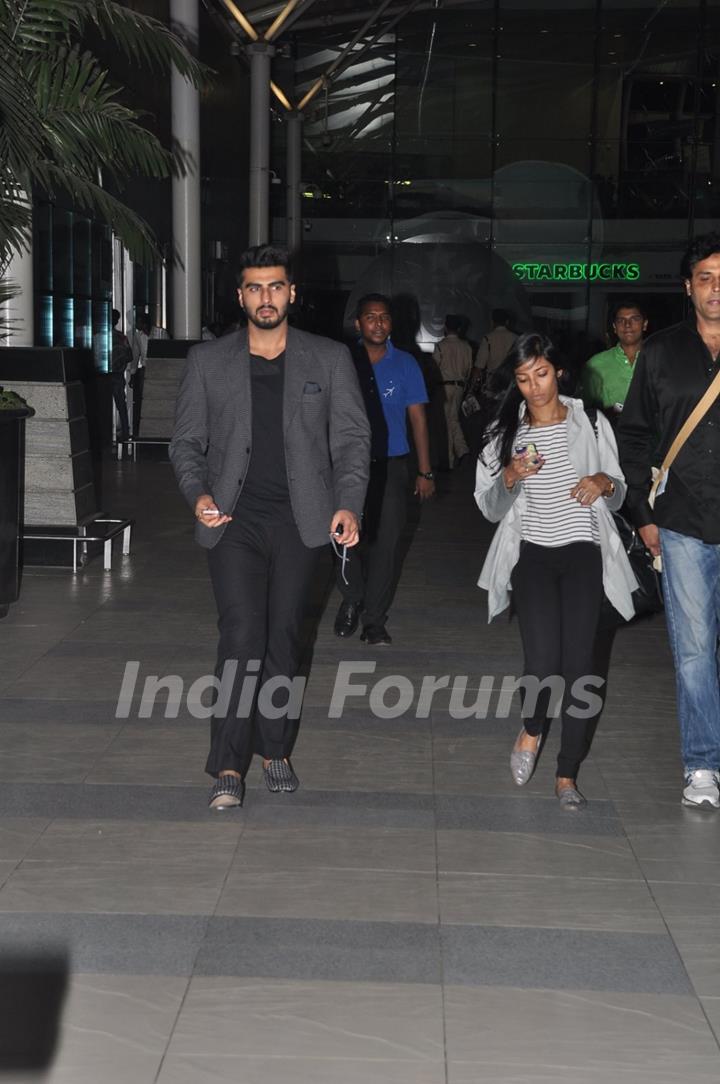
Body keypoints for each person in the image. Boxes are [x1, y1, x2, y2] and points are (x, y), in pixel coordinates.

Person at [169, 244, 370, 810]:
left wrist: (348, 503)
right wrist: (198, 493)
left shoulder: (328, 358)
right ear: (240, 296)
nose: (266, 297)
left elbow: (353, 440)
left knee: (283, 637)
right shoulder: (208, 361)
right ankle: (228, 763)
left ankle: (275, 749)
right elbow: (185, 441)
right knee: (241, 637)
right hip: (233, 518)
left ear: (292, 293)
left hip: (302, 521)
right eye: (255, 288)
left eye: (275, 287)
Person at [475, 332, 635, 809]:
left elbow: (621, 490)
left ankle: (567, 773)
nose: (534, 387)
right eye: (523, 379)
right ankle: (532, 728)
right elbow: (488, 507)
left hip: (584, 554)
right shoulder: (503, 433)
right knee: (543, 663)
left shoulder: (589, 421)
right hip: (534, 558)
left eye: (541, 374)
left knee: (580, 666)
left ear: (558, 371)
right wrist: (510, 476)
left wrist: (605, 481)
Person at [618, 231, 720, 809]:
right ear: (688, 288)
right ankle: (703, 764)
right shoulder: (660, 352)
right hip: (679, 522)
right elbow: (633, 437)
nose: (714, 288)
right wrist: (642, 514)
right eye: (704, 278)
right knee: (695, 649)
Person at [333, 293, 435, 645]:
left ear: (392, 323)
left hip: (391, 465)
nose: (378, 322)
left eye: (384, 317)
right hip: (346, 465)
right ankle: (351, 598)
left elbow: (418, 419)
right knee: (343, 539)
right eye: (370, 317)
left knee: (386, 545)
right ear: (358, 323)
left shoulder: (406, 363)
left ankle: (374, 620)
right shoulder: (342, 360)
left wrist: (425, 471)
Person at [582, 300, 648, 417]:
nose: (627, 324)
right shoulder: (595, 364)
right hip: (610, 433)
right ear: (614, 327)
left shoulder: (659, 360)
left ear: (644, 324)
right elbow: (585, 408)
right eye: (621, 320)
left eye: (634, 319)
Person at [432, 315, 473, 469]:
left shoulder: (440, 346)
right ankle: (462, 451)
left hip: (444, 386)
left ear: (446, 327)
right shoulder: (466, 346)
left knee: (446, 421)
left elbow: (435, 368)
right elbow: (469, 369)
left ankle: (449, 460)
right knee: (453, 419)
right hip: (460, 386)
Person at [474, 308, 517, 379]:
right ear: (507, 322)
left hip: (492, 379)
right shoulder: (516, 338)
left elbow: (480, 365)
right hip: (510, 380)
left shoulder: (488, 338)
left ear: (492, 322)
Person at [111, 309, 132, 443]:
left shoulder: (98, 335)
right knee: (121, 405)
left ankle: (123, 432)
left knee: (119, 404)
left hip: (108, 375)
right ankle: (125, 432)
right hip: (117, 375)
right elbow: (129, 355)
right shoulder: (121, 337)